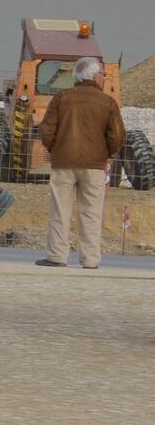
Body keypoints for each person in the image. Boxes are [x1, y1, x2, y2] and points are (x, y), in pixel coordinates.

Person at [38, 56, 125, 269]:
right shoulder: (108, 102)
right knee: (92, 212)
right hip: (94, 166)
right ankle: (90, 259)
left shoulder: (61, 98)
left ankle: (57, 256)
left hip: (64, 164)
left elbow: (46, 130)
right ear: (95, 77)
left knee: (60, 210)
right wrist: (105, 154)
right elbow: (117, 136)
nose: (104, 78)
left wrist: (57, 150)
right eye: (103, 74)